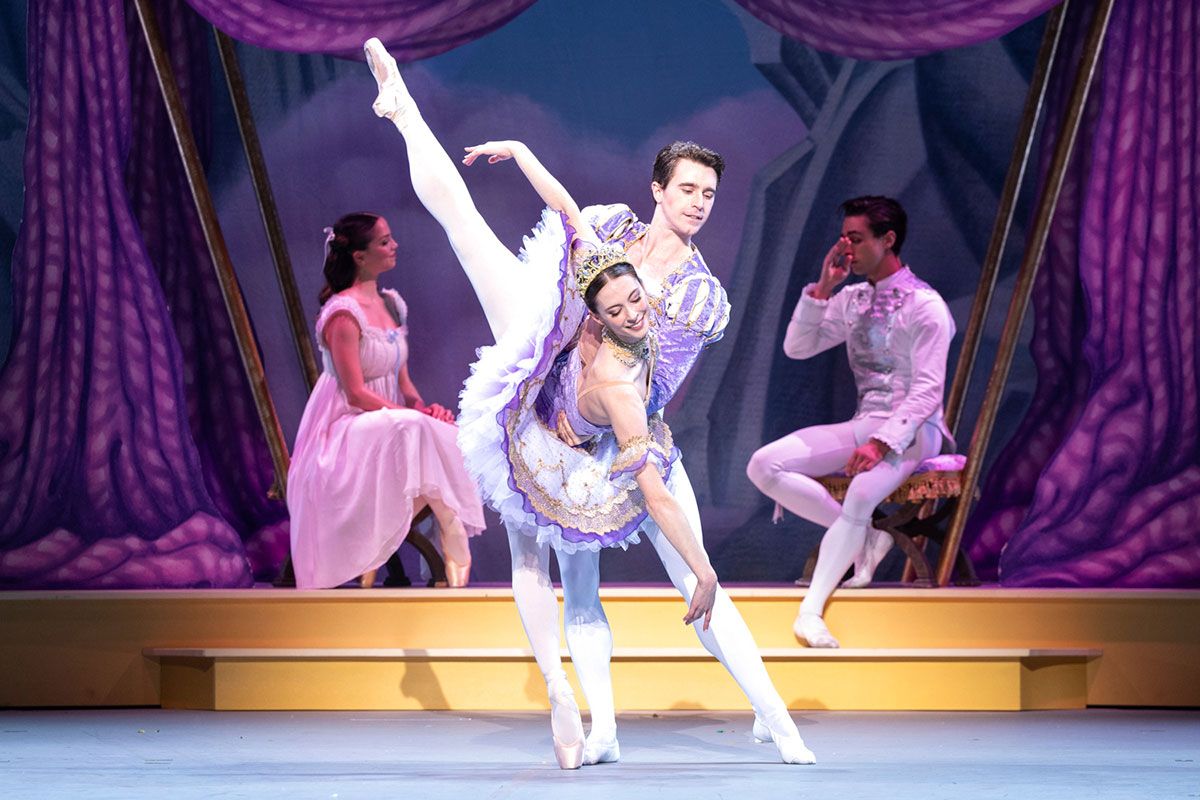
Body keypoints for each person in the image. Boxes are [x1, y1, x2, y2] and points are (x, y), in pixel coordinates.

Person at [363, 38, 814, 768]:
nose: (699, 203)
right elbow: (566, 216)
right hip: (549, 374)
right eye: (688, 189)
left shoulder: (703, 295)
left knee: (698, 580)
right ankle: (403, 111)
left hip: (622, 421)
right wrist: (521, 150)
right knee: (469, 231)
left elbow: (656, 377)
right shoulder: (610, 226)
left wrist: (617, 427)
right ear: (659, 189)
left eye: (709, 194)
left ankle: (779, 721)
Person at [746, 196, 955, 648]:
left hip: (918, 429)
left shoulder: (926, 306)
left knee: (862, 490)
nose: (847, 249)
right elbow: (797, 349)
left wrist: (882, 443)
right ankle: (867, 537)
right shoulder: (854, 299)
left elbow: (927, 392)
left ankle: (812, 612)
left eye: (856, 239)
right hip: (868, 420)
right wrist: (823, 288)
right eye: (844, 238)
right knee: (765, 464)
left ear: (888, 240)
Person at [286, 212, 486, 590]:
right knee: (411, 426)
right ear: (359, 256)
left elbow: (403, 382)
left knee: (449, 433)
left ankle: (452, 560)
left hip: (389, 424)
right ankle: (395, 556)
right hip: (342, 429)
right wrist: (414, 418)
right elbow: (355, 393)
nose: (393, 246)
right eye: (383, 241)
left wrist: (426, 409)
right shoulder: (343, 314)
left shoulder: (393, 304)